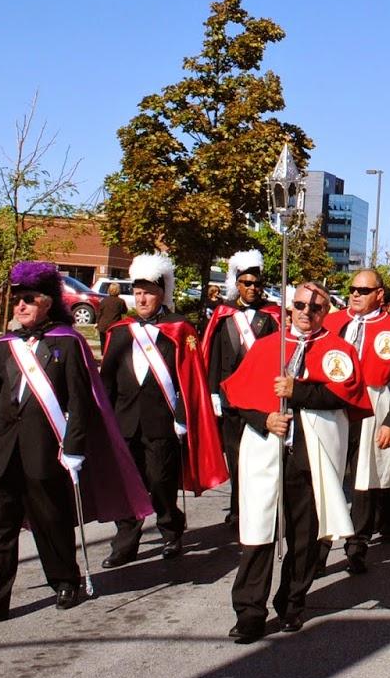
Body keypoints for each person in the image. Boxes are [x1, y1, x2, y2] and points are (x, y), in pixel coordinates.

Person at [0, 262, 150, 631]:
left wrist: (75, 448)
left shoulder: (67, 342)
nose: (21, 306)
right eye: (17, 300)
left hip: (46, 452)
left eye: (29, 299)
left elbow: (81, 402)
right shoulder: (2, 347)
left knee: (51, 523)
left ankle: (65, 581)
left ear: (48, 302)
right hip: (2, 454)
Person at [222, 281, 371, 642]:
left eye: (316, 307)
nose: (307, 313)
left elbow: (341, 393)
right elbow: (239, 398)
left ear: (325, 312)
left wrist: (297, 390)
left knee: (304, 537)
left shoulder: (338, 350)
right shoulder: (267, 347)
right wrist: (264, 419)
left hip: (311, 454)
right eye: (301, 305)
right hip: (267, 448)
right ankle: (250, 612)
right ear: (291, 308)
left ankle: (292, 602)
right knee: (258, 533)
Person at [100, 253, 227, 566]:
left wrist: (183, 418)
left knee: (160, 481)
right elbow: (107, 382)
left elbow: (190, 379)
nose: (142, 299)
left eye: (149, 293)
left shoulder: (179, 329)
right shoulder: (119, 331)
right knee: (127, 483)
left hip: (162, 421)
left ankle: (171, 530)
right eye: (138, 292)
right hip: (125, 420)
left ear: (162, 294)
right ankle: (125, 542)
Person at [324, 269, 390, 573]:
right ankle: (318, 549)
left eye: (363, 290)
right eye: (352, 289)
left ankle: (357, 544)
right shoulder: (332, 323)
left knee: (364, 478)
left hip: (373, 406)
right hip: (333, 406)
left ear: (379, 295)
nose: (355, 295)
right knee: (327, 475)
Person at [202, 250, 276, 526]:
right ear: (238, 285)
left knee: (260, 457)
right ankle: (237, 507)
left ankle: (261, 507)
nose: (253, 288)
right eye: (247, 283)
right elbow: (214, 357)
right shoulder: (223, 315)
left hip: (260, 399)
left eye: (257, 284)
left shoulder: (271, 317)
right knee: (234, 456)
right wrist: (212, 393)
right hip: (230, 397)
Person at [95, 281, 128, 348]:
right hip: (114, 326)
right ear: (118, 290)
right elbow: (125, 311)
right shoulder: (120, 301)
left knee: (103, 344)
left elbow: (99, 313)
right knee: (112, 345)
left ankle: (103, 356)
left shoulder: (104, 300)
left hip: (103, 326)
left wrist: (97, 322)